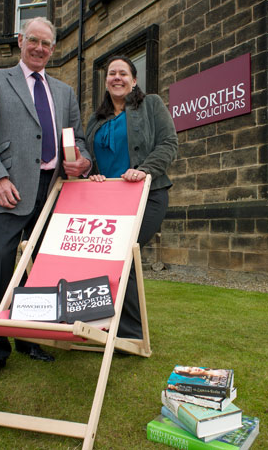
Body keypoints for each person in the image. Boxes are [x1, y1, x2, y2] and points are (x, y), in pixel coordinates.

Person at [0, 17, 92, 383]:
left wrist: (82, 162)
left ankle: (29, 337)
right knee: (0, 270)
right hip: (8, 190)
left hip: (53, 191)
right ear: (22, 40)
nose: (40, 48)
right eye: (34, 41)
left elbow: (78, 139)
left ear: (53, 49)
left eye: (47, 44)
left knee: (42, 272)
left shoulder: (64, 92)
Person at [85, 55, 177, 340]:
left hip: (146, 196)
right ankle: (104, 326)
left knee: (123, 253)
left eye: (123, 73)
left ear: (134, 80)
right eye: (112, 73)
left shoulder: (151, 105)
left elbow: (169, 144)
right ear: (106, 81)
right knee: (106, 257)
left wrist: (145, 169)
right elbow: (88, 158)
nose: (117, 77)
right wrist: (91, 172)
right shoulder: (95, 119)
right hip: (106, 200)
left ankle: (129, 334)